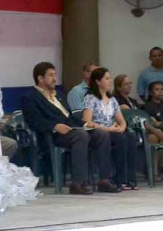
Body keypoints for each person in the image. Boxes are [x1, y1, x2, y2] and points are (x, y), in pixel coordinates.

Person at [21, 62, 119, 194]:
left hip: (72, 130)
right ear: (40, 78)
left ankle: (104, 180)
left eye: (55, 75)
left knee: (101, 134)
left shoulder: (59, 95)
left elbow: (69, 116)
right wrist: (54, 126)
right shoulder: (30, 96)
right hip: (52, 135)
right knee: (81, 135)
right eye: (51, 75)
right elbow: (34, 120)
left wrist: (85, 123)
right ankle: (78, 183)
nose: (55, 79)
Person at [82, 67, 140, 190]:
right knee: (120, 138)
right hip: (98, 132)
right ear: (98, 81)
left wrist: (122, 127)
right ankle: (118, 179)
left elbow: (121, 120)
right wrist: (109, 129)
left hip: (112, 130)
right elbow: (87, 121)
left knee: (130, 135)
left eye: (110, 78)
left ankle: (130, 178)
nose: (110, 81)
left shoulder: (112, 99)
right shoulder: (90, 98)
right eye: (107, 79)